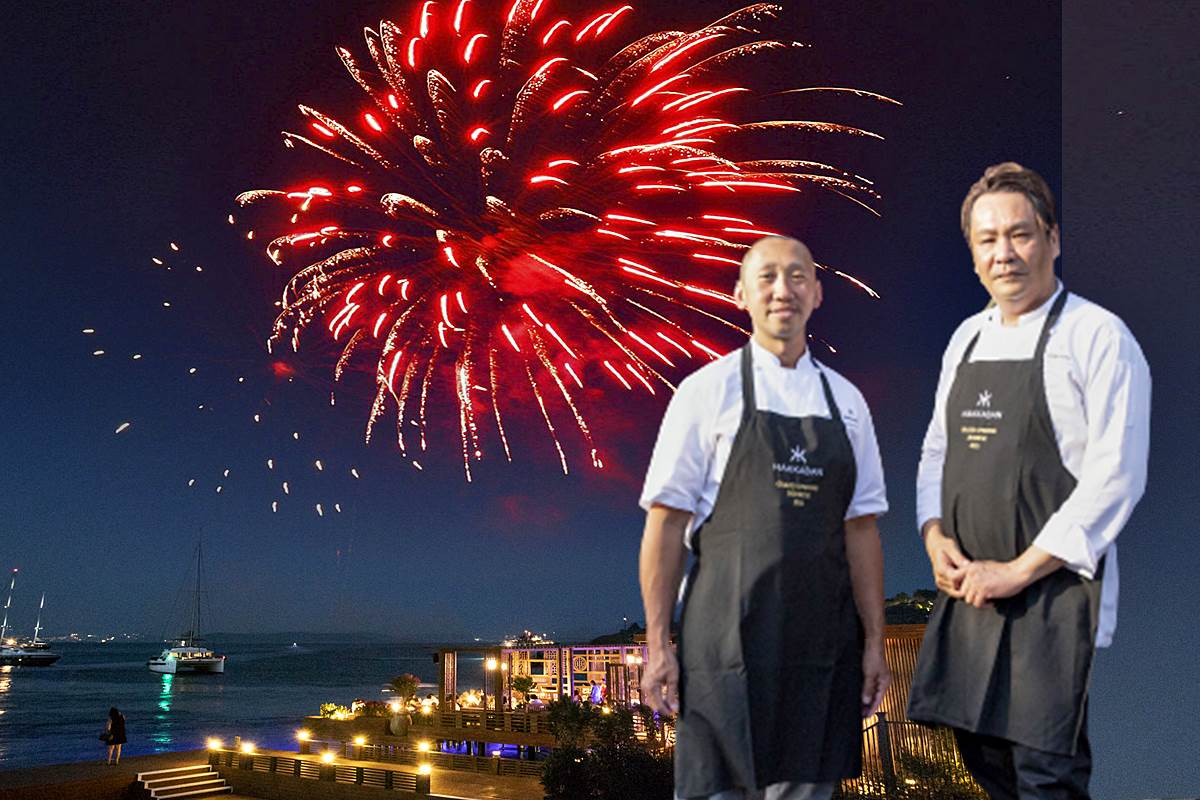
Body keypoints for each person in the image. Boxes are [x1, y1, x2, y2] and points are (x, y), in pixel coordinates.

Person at [906, 163, 1151, 800]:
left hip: (1053, 599)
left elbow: (1116, 474)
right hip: (971, 597)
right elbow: (938, 449)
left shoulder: (1098, 337)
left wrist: (1017, 570)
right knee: (986, 764)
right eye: (988, 240)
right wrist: (934, 535)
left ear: (1053, 238)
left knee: (1047, 776)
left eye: (1020, 234)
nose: (1004, 254)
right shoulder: (965, 340)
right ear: (973, 253)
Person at [638, 236, 891, 800]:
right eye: (768, 277)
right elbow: (666, 523)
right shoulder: (705, 392)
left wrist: (874, 641)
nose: (784, 289)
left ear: (818, 292)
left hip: (822, 649)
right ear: (741, 294)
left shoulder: (847, 402)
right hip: (723, 648)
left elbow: (862, 529)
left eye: (798, 276)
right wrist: (659, 644)